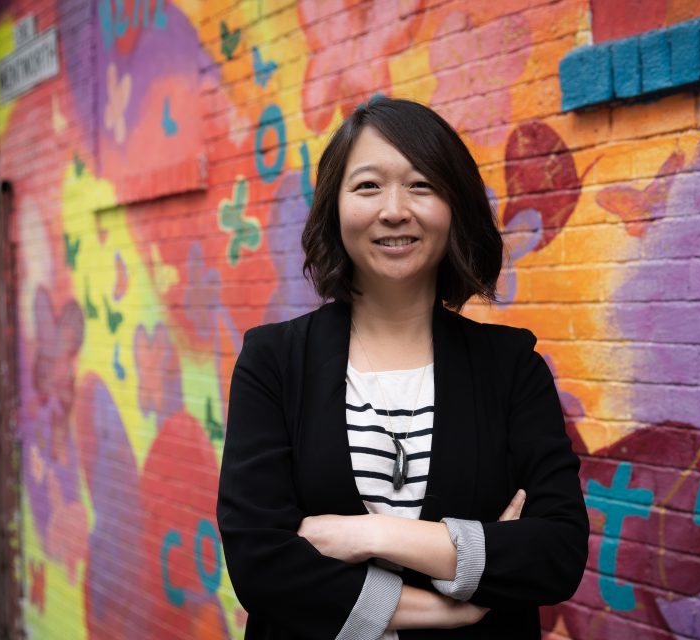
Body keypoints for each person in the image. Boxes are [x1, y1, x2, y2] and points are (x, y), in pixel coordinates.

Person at [217, 98, 589, 639]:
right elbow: (260, 564)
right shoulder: (273, 362)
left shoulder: (512, 368)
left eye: (421, 185)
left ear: (455, 206)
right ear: (334, 207)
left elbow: (556, 553)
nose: (394, 210)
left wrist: (372, 535)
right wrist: (454, 605)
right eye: (368, 186)